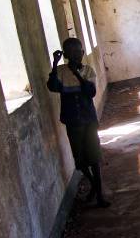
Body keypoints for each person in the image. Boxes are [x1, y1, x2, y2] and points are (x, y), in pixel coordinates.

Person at [47, 38, 110, 207]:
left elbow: (90, 92)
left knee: (95, 158)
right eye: (72, 53)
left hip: (88, 120)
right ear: (66, 55)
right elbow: (52, 86)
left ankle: (99, 195)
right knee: (80, 161)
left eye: (79, 52)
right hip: (73, 122)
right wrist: (54, 64)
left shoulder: (88, 70)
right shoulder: (60, 71)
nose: (77, 55)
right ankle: (94, 187)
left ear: (83, 53)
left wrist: (76, 73)